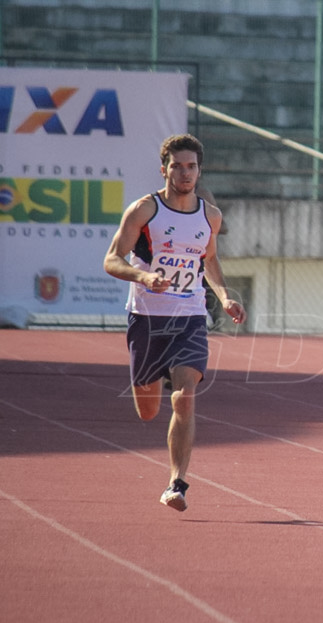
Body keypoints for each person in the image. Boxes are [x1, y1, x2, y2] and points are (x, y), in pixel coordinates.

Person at [103, 133, 246, 512]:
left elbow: (209, 260)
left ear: (199, 171)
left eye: (192, 167)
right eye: (178, 166)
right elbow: (112, 260)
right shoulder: (143, 211)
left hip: (189, 316)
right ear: (164, 168)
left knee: (185, 396)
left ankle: (176, 484)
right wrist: (144, 278)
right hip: (148, 317)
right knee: (148, 410)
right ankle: (150, 385)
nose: (185, 173)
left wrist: (224, 296)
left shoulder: (209, 216)